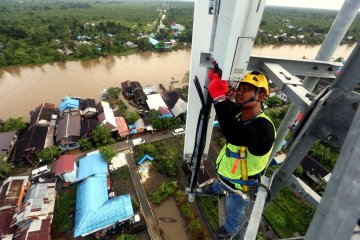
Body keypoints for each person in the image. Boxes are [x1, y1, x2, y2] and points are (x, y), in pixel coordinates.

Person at [206, 67, 276, 239]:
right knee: (220, 184)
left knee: (234, 209)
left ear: (260, 96)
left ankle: (229, 230)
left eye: (246, 90)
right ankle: (216, 188)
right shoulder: (242, 115)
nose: (239, 93)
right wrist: (219, 81)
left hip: (241, 186)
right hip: (226, 175)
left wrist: (220, 97)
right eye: (239, 88)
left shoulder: (264, 128)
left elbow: (235, 135)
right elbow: (223, 110)